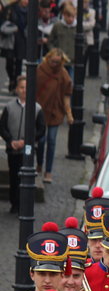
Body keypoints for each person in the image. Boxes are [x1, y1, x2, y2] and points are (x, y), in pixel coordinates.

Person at [1, 75, 46, 213]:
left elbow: (41, 130)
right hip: (12, 148)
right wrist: (10, 141)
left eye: (27, 88)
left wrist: (26, 141)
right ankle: (14, 203)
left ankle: (23, 203)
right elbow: (2, 127)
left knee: (25, 177)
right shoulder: (9, 107)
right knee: (13, 176)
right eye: (21, 87)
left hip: (27, 149)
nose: (24, 90)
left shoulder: (37, 108)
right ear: (16, 89)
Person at [35, 48, 72, 183]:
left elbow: (67, 94)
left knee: (51, 141)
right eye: (52, 61)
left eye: (57, 62)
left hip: (55, 112)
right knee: (41, 141)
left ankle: (48, 171)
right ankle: (39, 163)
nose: (54, 64)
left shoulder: (63, 74)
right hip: (40, 111)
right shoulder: (40, 70)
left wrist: (69, 114)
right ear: (48, 59)